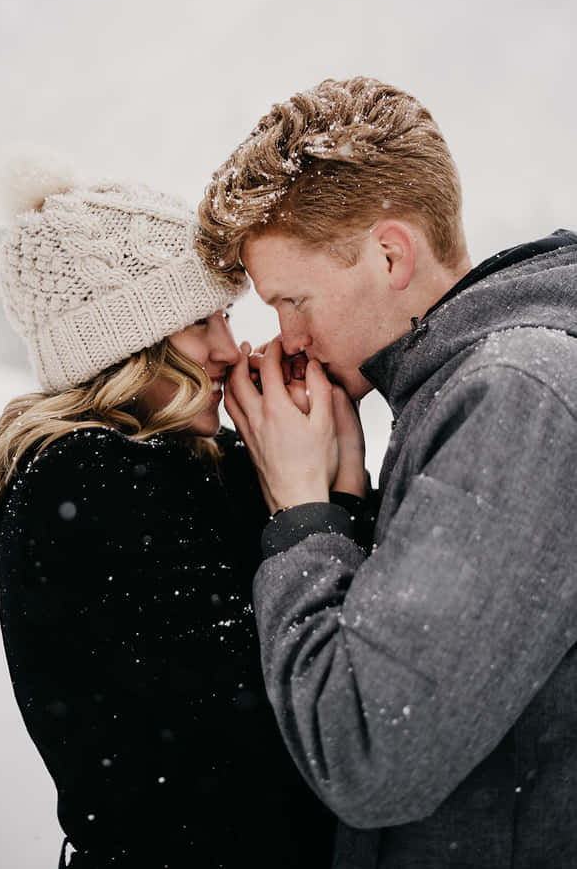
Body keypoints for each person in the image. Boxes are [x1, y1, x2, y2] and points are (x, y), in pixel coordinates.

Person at [197, 76, 577, 868]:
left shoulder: (514, 397)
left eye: (292, 300)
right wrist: (346, 489)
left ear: (389, 252)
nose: (286, 339)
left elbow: (369, 752)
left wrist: (300, 513)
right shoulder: (481, 384)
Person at [0, 155, 339, 868]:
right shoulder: (92, 481)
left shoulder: (179, 471)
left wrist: (320, 458)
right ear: (126, 346)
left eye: (225, 315)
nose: (230, 349)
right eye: (199, 321)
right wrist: (317, 499)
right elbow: (275, 719)